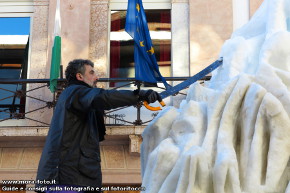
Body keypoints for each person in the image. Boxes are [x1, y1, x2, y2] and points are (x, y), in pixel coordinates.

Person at [36, 59, 161, 193]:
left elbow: (98, 104)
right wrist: (138, 95)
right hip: (68, 179)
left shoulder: (76, 96)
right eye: (92, 73)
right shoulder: (76, 91)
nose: (97, 77)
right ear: (79, 76)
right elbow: (103, 97)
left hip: (74, 178)